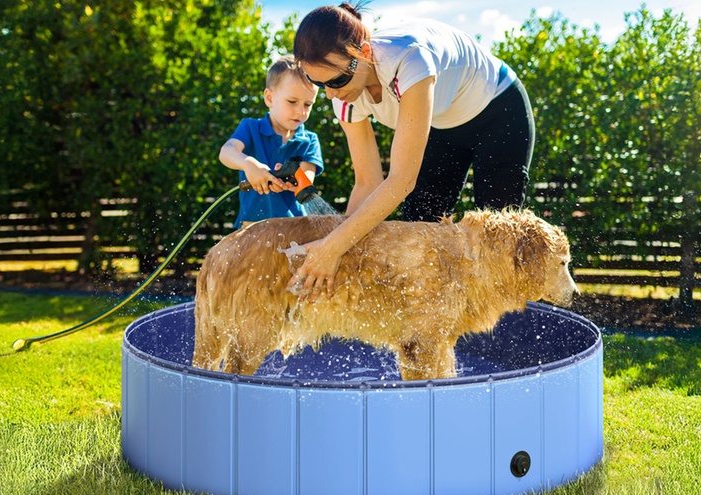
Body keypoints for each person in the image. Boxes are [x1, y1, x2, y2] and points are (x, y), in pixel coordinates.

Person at [291, 2, 535, 296]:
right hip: (441, 123)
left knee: (497, 234)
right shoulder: (343, 98)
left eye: (336, 80)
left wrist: (332, 247)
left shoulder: (410, 60)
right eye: (318, 83)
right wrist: (338, 252)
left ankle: (504, 320)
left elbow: (401, 180)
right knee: (421, 222)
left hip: (498, 108)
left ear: (364, 53)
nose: (331, 94)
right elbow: (367, 182)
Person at [219, 54, 324, 228]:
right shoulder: (250, 128)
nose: (301, 111)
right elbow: (227, 152)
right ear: (269, 98)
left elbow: (307, 177)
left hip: (295, 230)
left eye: (308, 104)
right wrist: (248, 164)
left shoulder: (309, 141)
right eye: (292, 101)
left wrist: (290, 180)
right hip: (252, 228)